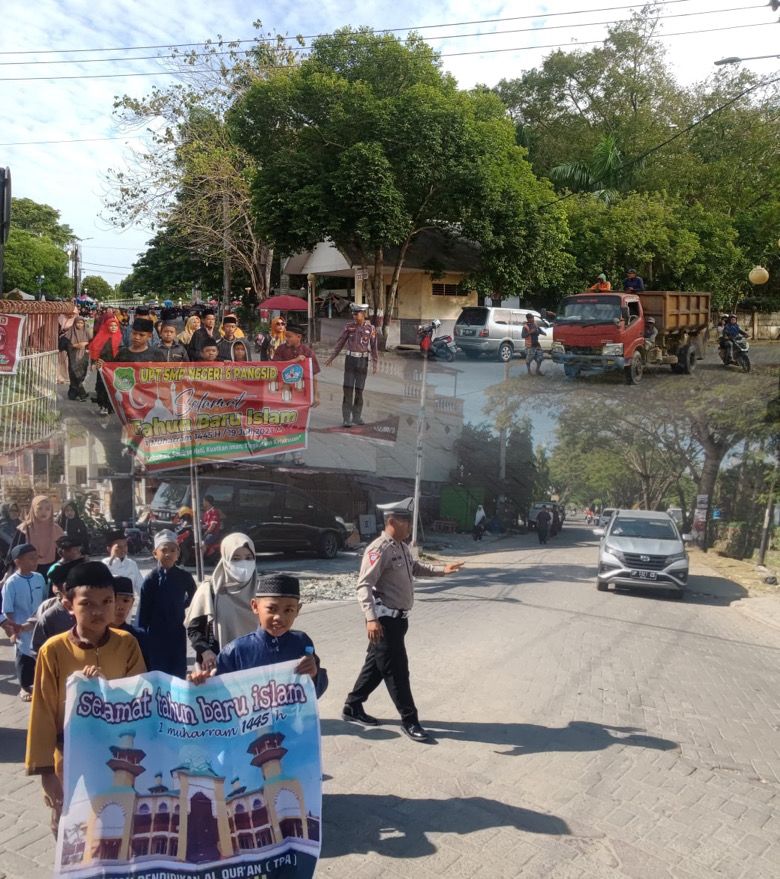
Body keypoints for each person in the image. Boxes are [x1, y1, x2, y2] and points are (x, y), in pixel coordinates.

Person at [25, 561, 146, 835]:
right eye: (87, 604)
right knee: (73, 829)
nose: (98, 611)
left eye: (106, 601)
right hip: (69, 757)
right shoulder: (52, 651)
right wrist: (46, 774)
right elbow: (42, 714)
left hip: (119, 754)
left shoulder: (126, 643)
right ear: (68, 605)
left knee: (118, 826)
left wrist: (105, 690)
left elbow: (141, 697)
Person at [342, 499, 464, 742]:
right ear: (391, 522)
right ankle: (410, 720)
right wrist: (370, 619)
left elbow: (415, 568)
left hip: (398, 621)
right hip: (384, 622)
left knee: (376, 667)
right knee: (397, 671)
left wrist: (443, 569)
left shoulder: (401, 546)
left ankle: (353, 706)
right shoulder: (380, 548)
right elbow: (363, 585)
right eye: (406, 521)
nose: (410, 526)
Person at [195, 573, 326, 699]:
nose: (279, 617)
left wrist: (314, 675)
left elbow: (315, 693)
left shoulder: (302, 643)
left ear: (297, 610)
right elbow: (215, 694)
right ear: (255, 606)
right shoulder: (236, 650)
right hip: (252, 721)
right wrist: (201, 684)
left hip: (293, 720)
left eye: (288, 610)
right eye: (272, 609)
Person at [184, 533, 261, 673]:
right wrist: (205, 651)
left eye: (249, 558)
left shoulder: (261, 590)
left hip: (255, 665)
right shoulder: (209, 590)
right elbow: (194, 629)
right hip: (218, 665)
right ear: (225, 559)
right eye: (236, 558)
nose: (243, 563)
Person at [137, 530, 196, 677]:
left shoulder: (184, 576)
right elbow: (143, 611)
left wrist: (183, 606)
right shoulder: (151, 579)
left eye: (172, 550)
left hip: (177, 629)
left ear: (178, 553)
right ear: (155, 553)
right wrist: (140, 637)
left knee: (177, 670)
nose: (168, 554)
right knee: (157, 671)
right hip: (156, 633)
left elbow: (195, 597)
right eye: (164, 550)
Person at [2, 543, 46, 700]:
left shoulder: (39, 578)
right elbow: (7, 609)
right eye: (31, 559)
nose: (35, 562)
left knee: (40, 654)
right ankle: (24, 687)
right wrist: (12, 630)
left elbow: (45, 600)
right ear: (18, 561)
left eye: (36, 558)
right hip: (21, 627)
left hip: (39, 625)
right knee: (24, 657)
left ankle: (41, 683)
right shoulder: (11, 583)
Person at [325, 303, 379, 427]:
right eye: (353, 314)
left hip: (362, 361)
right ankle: (346, 418)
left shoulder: (371, 328)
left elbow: (374, 346)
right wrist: (332, 356)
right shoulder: (349, 327)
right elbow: (340, 342)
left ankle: (357, 417)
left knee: (359, 390)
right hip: (350, 360)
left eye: (357, 314)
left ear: (363, 314)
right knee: (348, 389)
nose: (354, 316)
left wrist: (375, 362)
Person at [12, 495, 64, 577]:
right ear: (33, 509)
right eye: (39, 508)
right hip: (29, 570)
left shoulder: (56, 529)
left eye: (47, 509)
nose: (44, 512)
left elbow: (63, 550)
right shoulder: (25, 528)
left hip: (52, 569)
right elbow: (14, 551)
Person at [274, 322, 321, 407]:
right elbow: (276, 366)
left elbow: (313, 375)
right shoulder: (280, 349)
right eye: (286, 336)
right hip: (283, 390)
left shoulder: (308, 352)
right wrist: (295, 360)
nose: (286, 339)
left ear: (298, 337)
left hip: (301, 391)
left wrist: (316, 395)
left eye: (289, 336)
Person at [112, 576, 149, 666]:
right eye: (114, 600)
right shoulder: (96, 636)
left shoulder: (139, 637)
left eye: (125, 601)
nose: (120, 606)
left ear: (132, 603)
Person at [88, 316, 122, 416]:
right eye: (111, 325)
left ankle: (111, 406)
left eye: (115, 325)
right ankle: (103, 405)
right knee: (102, 385)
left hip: (115, 366)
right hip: (102, 365)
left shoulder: (121, 337)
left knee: (114, 386)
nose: (113, 327)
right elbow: (94, 349)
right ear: (106, 326)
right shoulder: (100, 336)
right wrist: (94, 363)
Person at [102, 529, 143, 606]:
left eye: (125, 545)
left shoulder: (132, 564)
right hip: (109, 607)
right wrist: (112, 558)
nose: (123, 549)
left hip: (127, 608)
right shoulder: (104, 564)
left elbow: (141, 588)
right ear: (109, 549)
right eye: (119, 547)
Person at [59, 316, 90, 401]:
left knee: (81, 375)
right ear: (74, 323)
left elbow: (91, 343)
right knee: (75, 375)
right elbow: (64, 345)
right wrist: (75, 345)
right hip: (73, 357)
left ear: (84, 324)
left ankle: (73, 393)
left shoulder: (86, 332)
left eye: (81, 323)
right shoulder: (70, 333)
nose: (80, 325)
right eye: (78, 323)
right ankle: (82, 394)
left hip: (84, 357)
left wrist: (86, 345)